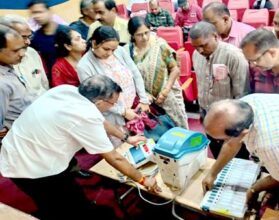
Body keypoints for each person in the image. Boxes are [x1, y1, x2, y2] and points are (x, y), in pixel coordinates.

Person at [0, 75, 161, 220]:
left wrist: (126, 138)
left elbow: (100, 121)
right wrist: (143, 179)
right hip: (29, 166)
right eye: (113, 103)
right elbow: (114, 157)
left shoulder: (68, 90)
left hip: (21, 147)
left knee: (66, 196)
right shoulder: (85, 115)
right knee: (61, 204)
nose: (114, 106)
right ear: (99, 102)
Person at [202, 93, 279, 215]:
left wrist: (254, 189)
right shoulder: (244, 106)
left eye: (222, 140)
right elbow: (231, 143)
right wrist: (212, 173)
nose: (222, 143)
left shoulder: (269, 144)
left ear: (243, 132)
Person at [78, 26, 150, 145]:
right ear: (94, 43)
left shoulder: (120, 51)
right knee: (124, 148)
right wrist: (123, 112)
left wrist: (143, 99)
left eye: (113, 49)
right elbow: (96, 99)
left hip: (135, 107)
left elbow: (135, 73)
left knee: (143, 143)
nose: (110, 53)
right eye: (106, 49)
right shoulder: (84, 66)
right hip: (113, 117)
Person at [189, 21, 249, 158]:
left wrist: (237, 124)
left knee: (236, 156)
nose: (200, 51)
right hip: (207, 112)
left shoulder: (234, 56)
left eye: (203, 45)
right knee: (216, 150)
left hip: (229, 117)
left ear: (215, 36)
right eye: (195, 47)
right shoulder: (196, 55)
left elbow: (242, 94)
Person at [126, 16, 188, 128]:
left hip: (167, 95)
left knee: (178, 126)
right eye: (139, 35)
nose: (144, 37)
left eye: (146, 32)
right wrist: (144, 96)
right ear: (132, 35)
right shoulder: (128, 51)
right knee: (157, 130)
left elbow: (174, 69)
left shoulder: (159, 45)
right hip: (145, 99)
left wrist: (165, 91)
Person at [0, 14, 49, 97]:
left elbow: (44, 84)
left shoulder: (32, 53)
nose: (28, 42)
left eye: (29, 37)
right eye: (23, 37)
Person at [0, 25, 29, 142]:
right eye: (15, 50)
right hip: (18, 142)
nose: (22, 54)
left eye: (21, 48)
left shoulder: (8, 65)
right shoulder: (1, 83)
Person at [29, 0, 67, 84]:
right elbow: (37, 65)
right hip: (52, 83)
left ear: (49, 11)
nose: (37, 16)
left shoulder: (66, 32)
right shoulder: (35, 39)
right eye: (34, 13)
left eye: (39, 12)